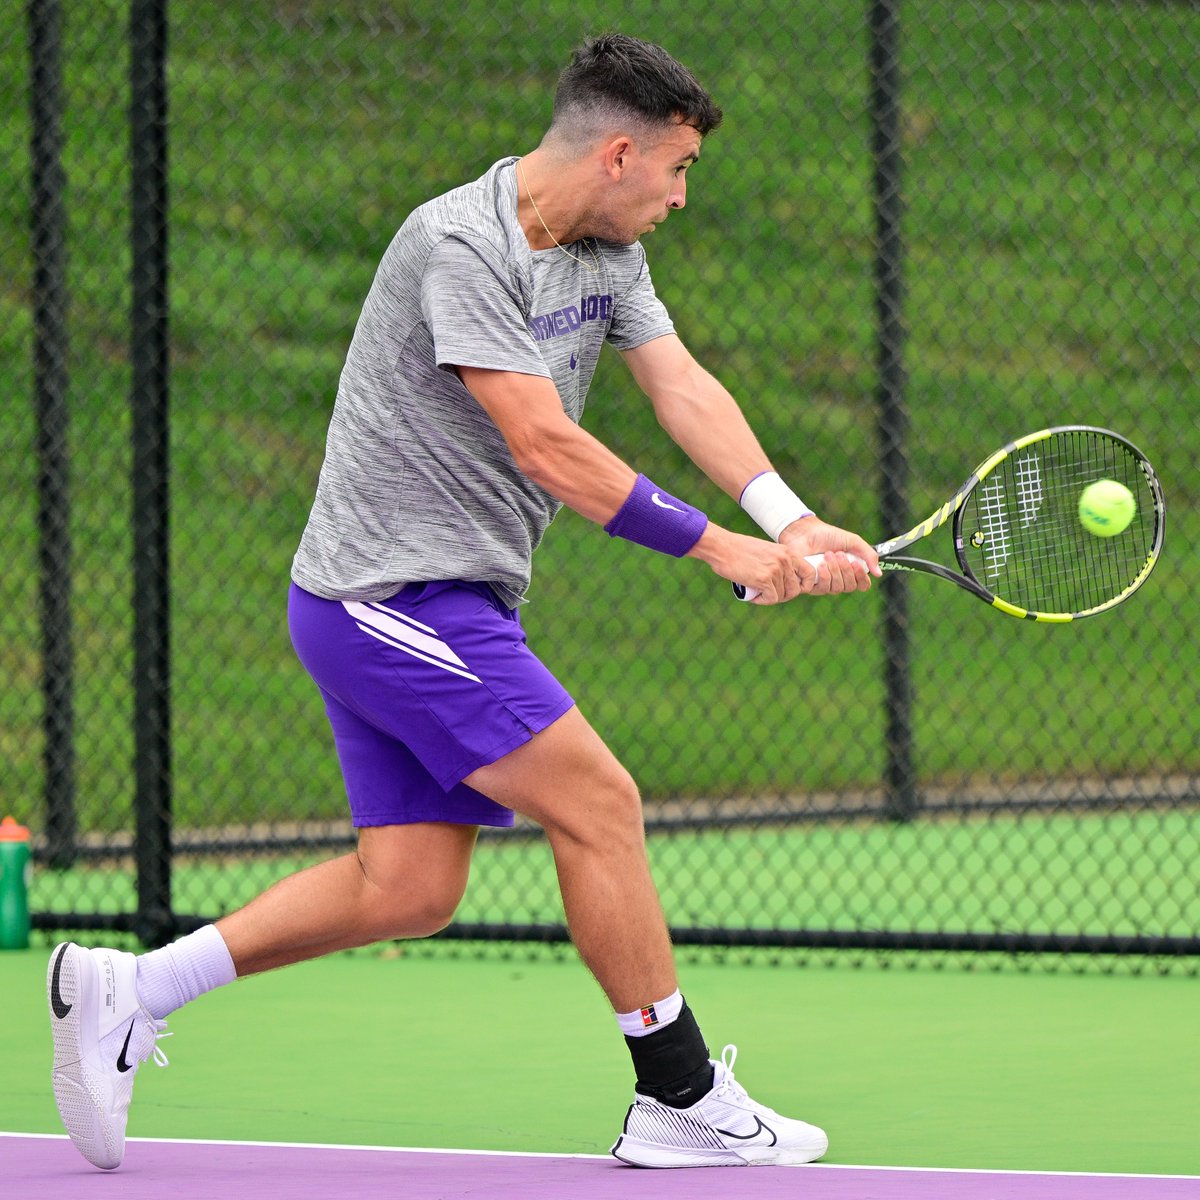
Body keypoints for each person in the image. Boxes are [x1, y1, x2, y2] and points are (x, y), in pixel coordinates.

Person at [47, 33, 880, 1172]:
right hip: (389, 598)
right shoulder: (460, 244)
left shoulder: (602, 248)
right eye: (678, 171)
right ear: (621, 153)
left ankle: (133, 990)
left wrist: (785, 518)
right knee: (599, 800)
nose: (682, 198)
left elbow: (678, 382)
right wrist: (717, 547)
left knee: (411, 887)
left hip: (438, 598)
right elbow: (545, 445)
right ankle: (678, 1095)